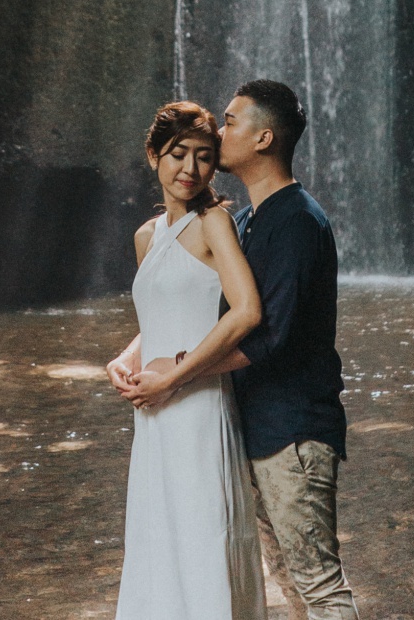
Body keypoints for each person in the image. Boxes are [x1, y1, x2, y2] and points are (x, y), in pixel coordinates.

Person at [107, 101, 267, 620]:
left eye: (203, 157)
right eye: (178, 155)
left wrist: (172, 379)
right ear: (154, 155)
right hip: (152, 412)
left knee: (203, 537)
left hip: (195, 402)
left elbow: (245, 312)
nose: (191, 170)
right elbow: (162, 311)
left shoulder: (214, 222)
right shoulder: (145, 236)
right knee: (159, 539)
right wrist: (125, 356)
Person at [217, 79, 358, 620]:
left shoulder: (296, 220)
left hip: (294, 432)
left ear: (263, 138)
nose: (218, 128)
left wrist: (178, 377)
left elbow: (268, 337)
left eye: (230, 120)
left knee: (318, 584)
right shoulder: (250, 219)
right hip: (263, 427)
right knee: (292, 582)